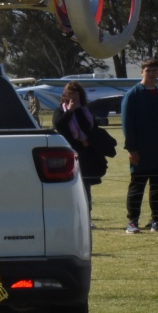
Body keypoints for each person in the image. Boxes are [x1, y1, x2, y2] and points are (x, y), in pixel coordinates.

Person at [121, 58, 158, 233]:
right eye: (148, 70)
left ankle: (157, 221)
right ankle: (133, 222)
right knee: (137, 186)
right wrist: (131, 149)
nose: (151, 73)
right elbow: (127, 124)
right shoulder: (133, 95)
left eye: (154, 70)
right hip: (141, 150)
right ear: (142, 72)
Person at [52, 81, 109, 227]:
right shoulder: (60, 110)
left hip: (87, 155)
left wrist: (87, 142)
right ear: (65, 95)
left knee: (85, 186)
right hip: (69, 154)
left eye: (76, 93)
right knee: (68, 188)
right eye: (70, 93)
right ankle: (68, 218)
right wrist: (70, 111)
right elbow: (59, 126)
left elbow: (91, 129)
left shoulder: (85, 111)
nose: (74, 96)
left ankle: (86, 218)